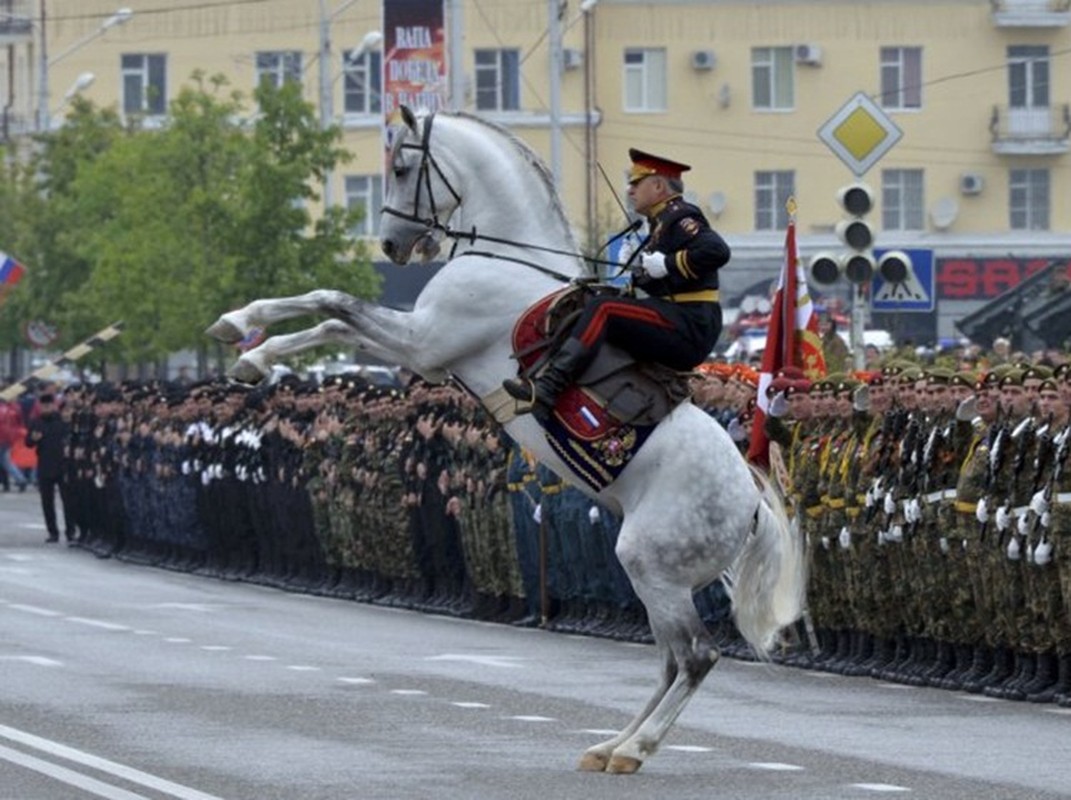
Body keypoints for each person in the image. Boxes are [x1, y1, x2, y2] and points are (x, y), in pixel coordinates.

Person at [503, 148, 731, 418]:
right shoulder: (659, 223)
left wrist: (666, 264)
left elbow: (717, 251)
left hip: (690, 324)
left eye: (636, 183)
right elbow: (666, 285)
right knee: (594, 302)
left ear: (658, 185)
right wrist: (640, 272)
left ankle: (550, 387)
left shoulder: (679, 215)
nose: (630, 189)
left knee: (604, 309)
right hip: (679, 318)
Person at [25, 392, 74, 544]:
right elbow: (28, 443)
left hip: (62, 464)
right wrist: (33, 438)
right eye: (44, 406)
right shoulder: (36, 422)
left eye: (49, 406)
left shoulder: (61, 421)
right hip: (45, 465)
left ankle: (70, 531)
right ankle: (53, 532)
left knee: (68, 500)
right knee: (47, 501)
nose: (46, 408)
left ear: (54, 406)